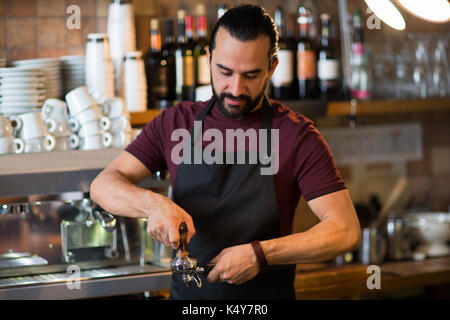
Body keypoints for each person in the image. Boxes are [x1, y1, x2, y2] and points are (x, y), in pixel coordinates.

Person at [90, 5, 361, 300]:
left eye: (250, 75)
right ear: (208, 58)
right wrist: (151, 205)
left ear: (272, 68)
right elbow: (103, 185)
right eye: (224, 71)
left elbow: (345, 230)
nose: (235, 88)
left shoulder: (297, 136)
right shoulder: (175, 123)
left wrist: (261, 253)